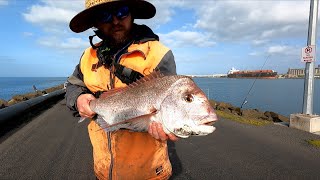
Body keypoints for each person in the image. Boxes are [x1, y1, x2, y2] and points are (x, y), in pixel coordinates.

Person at [65, 0, 178, 179]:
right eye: (105, 15)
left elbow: (172, 101)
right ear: (96, 22)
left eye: (122, 11)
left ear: (132, 13)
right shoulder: (87, 56)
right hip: (103, 170)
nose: (115, 21)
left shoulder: (158, 54)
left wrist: (172, 123)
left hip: (149, 173)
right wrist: (78, 98)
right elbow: (73, 85)